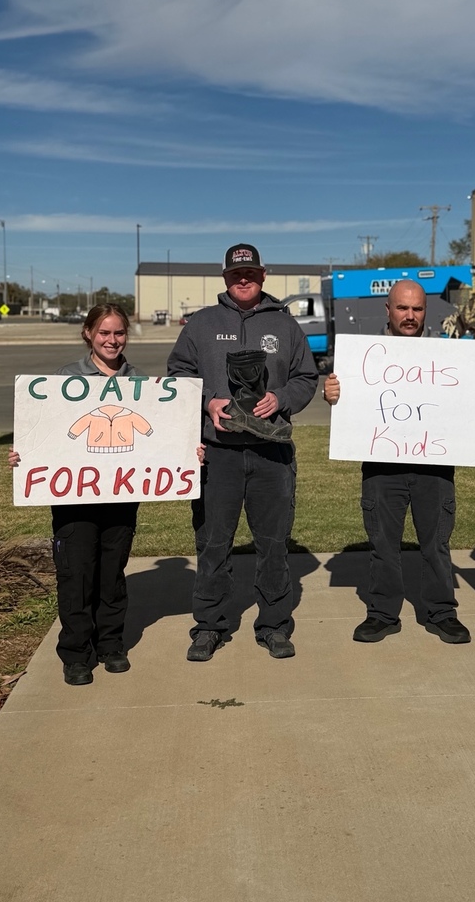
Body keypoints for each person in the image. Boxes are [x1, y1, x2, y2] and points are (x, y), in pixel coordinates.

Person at [9, 304, 194, 687]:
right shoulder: (65, 379)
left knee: (112, 575)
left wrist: (186, 451)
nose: (112, 340)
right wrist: (23, 453)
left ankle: (111, 645)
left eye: (119, 333)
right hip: (74, 499)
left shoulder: (140, 383)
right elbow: (47, 433)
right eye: (105, 333)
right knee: (76, 576)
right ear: (88, 334)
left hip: (121, 495)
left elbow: (159, 436)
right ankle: (76, 653)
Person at [167, 243, 318, 661]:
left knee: (273, 545)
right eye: (236, 274)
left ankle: (273, 625)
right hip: (220, 455)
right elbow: (178, 372)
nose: (244, 279)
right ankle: (210, 626)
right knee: (213, 543)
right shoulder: (201, 323)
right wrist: (209, 400)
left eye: (250, 272)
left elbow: (308, 376)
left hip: (272, 455)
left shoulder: (286, 326)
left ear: (263, 274)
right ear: (225, 278)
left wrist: (282, 397)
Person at [324, 279, 475, 645]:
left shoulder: (450, 360)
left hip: (435, 467)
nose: (409, 316)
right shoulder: (361, 360)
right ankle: (382, 613)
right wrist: (333, 393)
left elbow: (467, 406)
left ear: (425, 312)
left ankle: (441, 612)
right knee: (382, 542)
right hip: (382, 466)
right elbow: (347, 404)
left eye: (417, 309)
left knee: (436, 543)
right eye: (402, 308)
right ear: (388, 310)